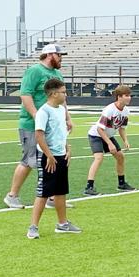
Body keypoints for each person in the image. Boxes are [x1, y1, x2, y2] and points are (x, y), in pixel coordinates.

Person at [5, 44, 74, 210]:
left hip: (52, 125)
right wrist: (36, 115)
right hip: (32, 124)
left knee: (56, 158)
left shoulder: (56, 73)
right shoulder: (34, 71)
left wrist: (67, 117)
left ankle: (51, 196)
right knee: (29, 160)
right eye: (59, 55)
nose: (61, 58)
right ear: (49, 55)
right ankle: (12, 195)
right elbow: (25, 94)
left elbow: (62, 98)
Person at [27, 79, 81, 239]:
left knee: (61, 191)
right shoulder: (44, 111)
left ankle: (62, 224)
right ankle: (33, 226)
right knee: (43, 192)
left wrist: (67, 148)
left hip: (60, 155)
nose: (66, 95)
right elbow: (39, 135)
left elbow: (61, 132)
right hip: (47, 157)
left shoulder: (61, 110)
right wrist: (49, 155)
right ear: (53, 93)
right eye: (63, 92)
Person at [84, 85, 135, 196]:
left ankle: (121, 184)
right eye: (126, 95)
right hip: (96, 135)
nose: (129, 98)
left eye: (129, 95)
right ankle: (89, 186)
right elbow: (99, 129)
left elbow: (121, 128)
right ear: (119, 97)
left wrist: (125, 140)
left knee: (120, 156)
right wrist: (109, 143)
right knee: (99, 158)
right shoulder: (109, 110)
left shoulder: (126, 111)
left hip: (108, 135)